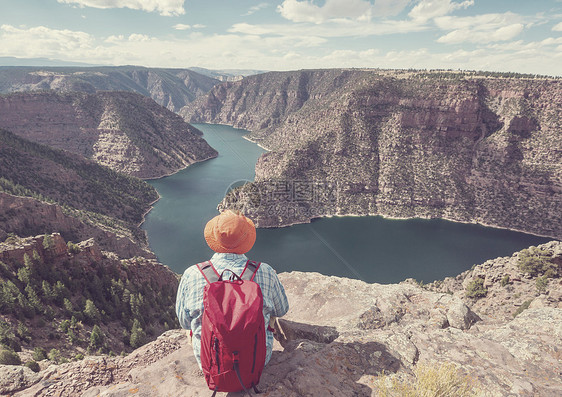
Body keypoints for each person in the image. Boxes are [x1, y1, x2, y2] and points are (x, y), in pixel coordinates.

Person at [176, 210, 289, 369]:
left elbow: (184, 322)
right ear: (246, 239)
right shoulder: (265, 271)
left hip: (210, 364)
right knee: (269, 312)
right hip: (256, 361)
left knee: (192, 325)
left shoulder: (191, 274)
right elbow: (282, 309)